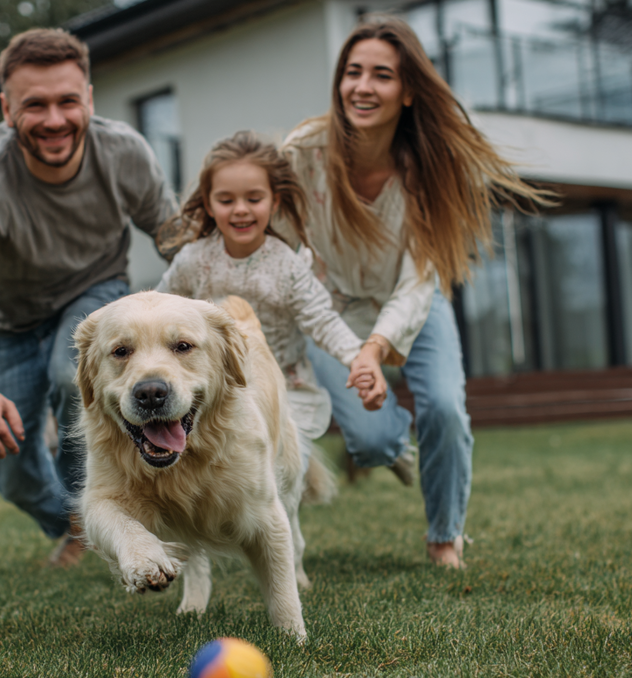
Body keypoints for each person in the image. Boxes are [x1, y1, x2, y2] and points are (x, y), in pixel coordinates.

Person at [281, 15, 552, 568]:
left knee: (447, 409)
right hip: (331, 311)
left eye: (381, 75)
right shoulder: (304, 151)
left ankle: (445, 537)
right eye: (352, 72)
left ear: (407, 92)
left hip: (415, 304)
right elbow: (282, 250)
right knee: (375, 443)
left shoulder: (432, 168)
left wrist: (376, 351)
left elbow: (416, 282)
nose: (362, 86)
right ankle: (390, 439)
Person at [0, 28, 177, 567]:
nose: (55, 119)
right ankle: (80, 522)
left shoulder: (125, 152)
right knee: (11, 472)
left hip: (98, 292)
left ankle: (109, 511)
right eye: (35, 105)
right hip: (9, 323)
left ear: (88, 98)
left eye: (67, 101)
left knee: (70, 373)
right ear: (7, 109)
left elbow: (174, 235)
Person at [155, 132, 386, 459]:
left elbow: (321, 318)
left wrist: (358, 358)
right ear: (208, 203)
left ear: (274, 201)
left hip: (283, 389)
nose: (240, 210)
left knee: (278, 470)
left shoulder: (286, 266)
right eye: (226, 200)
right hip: (215, 392)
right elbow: (157, 310)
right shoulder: (193, 261)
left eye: (253, 198)